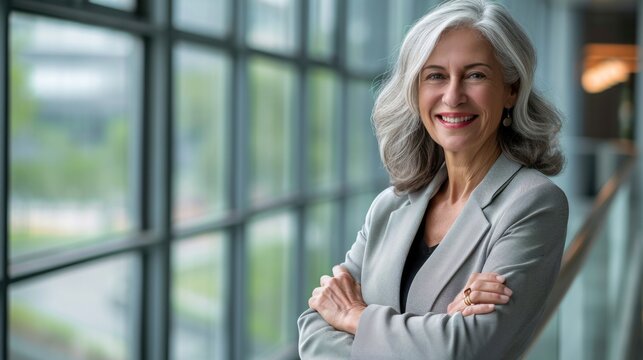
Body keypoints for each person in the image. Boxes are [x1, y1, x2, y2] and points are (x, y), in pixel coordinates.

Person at [298, 0, 569, 359]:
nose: (453, 96)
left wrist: (353, 316)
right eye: (436, 76)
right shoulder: (390, 205)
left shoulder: (534, 203)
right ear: (416, 91)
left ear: (511, 89)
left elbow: (464, 348)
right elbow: (314, 326)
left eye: (475, 75)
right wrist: (433, 331)